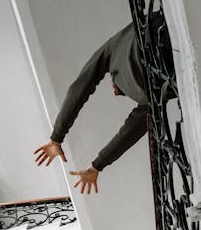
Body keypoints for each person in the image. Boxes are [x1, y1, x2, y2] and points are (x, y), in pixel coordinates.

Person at [33, 13, 170, 195]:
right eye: (119, 92)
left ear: (112, 75)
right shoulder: (146, 98)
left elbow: (79, 88)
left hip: (157, 44)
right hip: (163, 54)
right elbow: (132, 129)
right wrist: (97, 165)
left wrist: (56, 136)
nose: (115, 92)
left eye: (115, 89)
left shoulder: (113, 48)